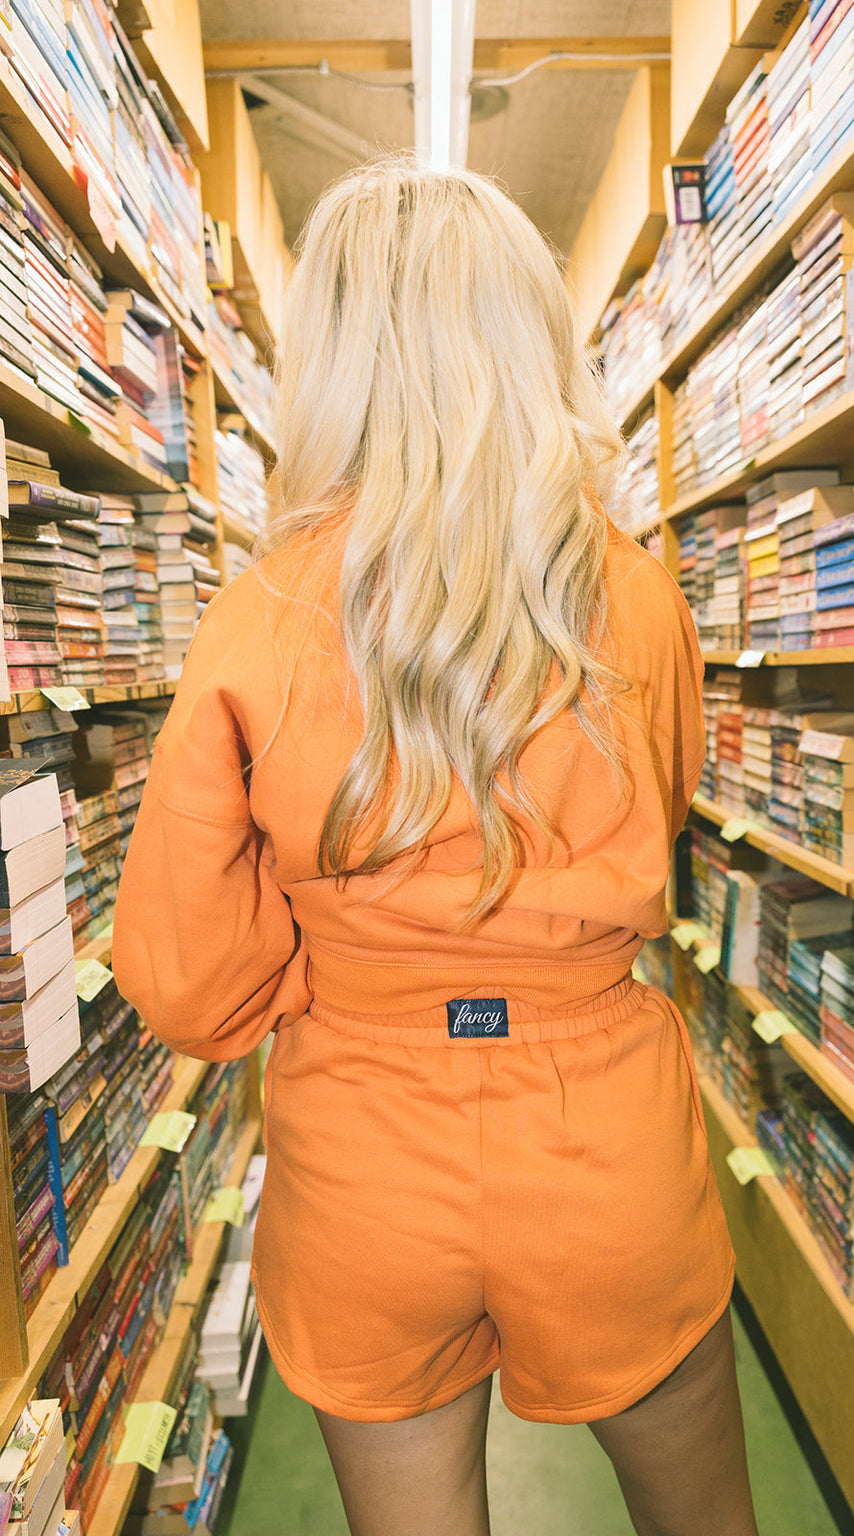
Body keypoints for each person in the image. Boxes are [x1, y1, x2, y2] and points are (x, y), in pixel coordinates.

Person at [112, 159, 758, 1536]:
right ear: (530, 339)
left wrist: (336, 973)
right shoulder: (633, 592)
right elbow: (672, 806)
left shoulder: (258, 613)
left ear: (331, 360)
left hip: (359, 1147)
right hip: (602, 1132)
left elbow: (184, 975)